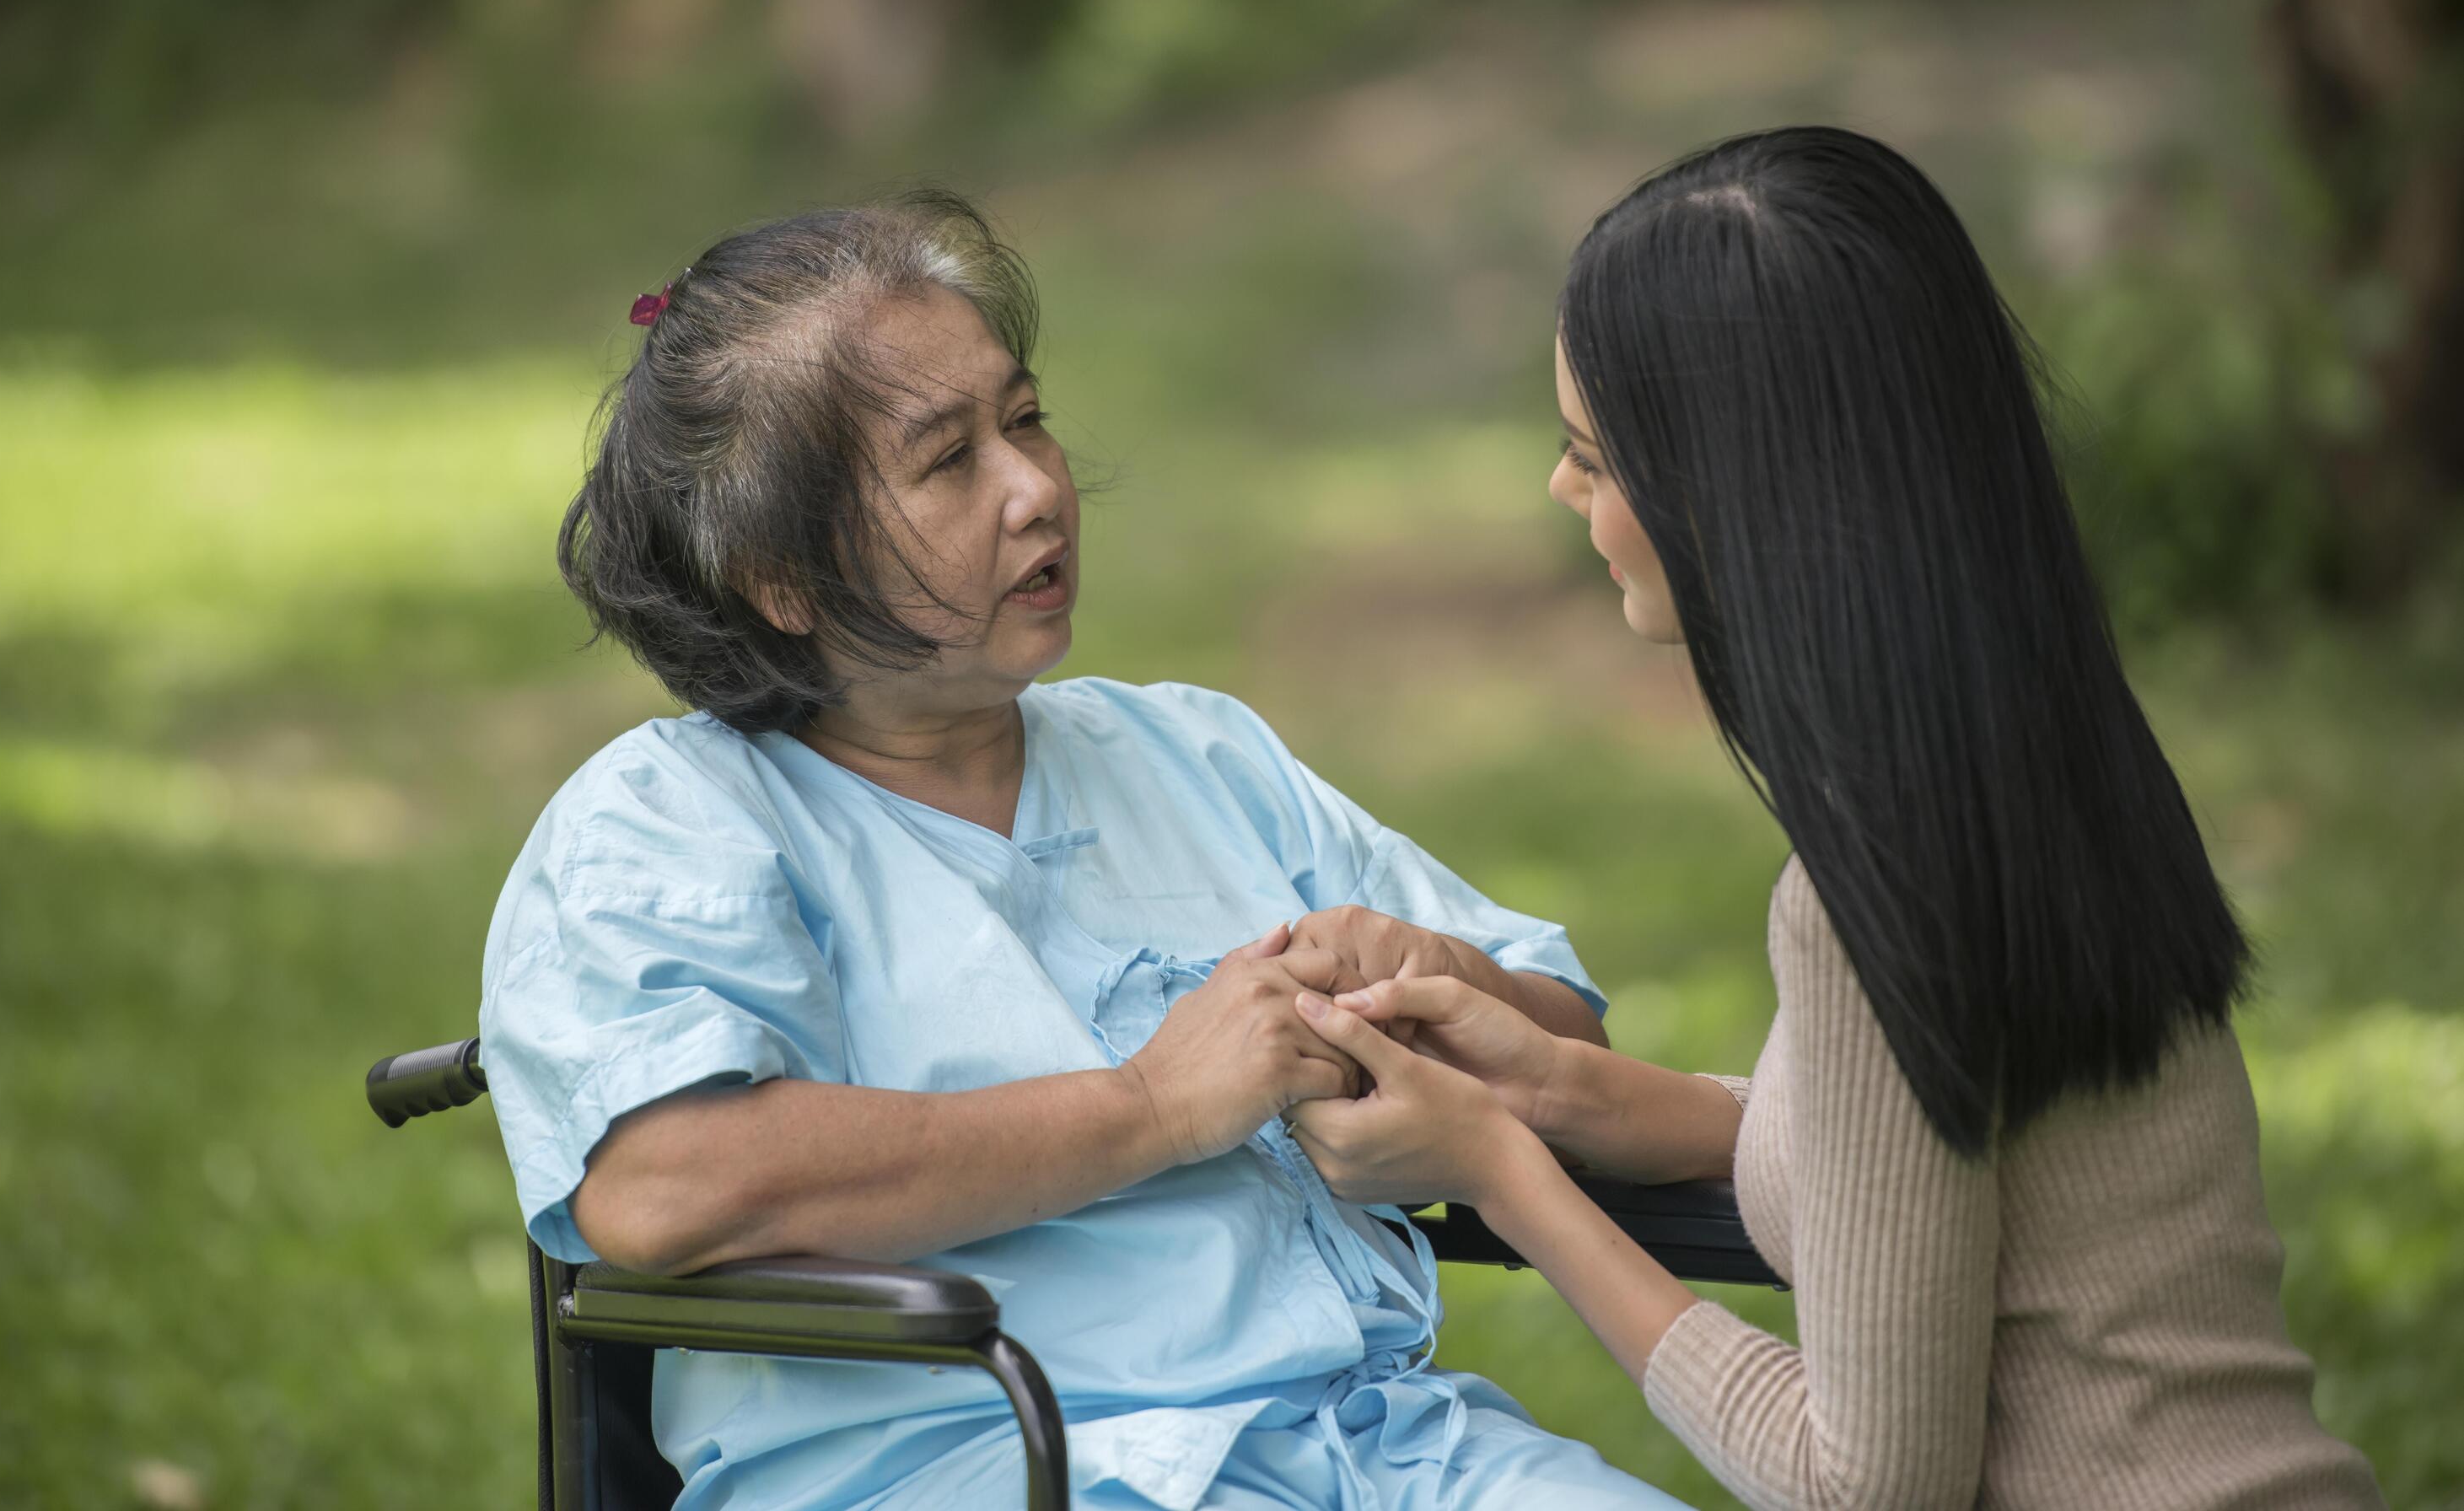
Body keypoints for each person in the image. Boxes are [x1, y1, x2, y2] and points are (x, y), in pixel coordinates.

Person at [478, 194, 1690, 1509]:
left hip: (1382, 1446)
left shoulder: (1190, 754)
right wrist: (1155, 1108)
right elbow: (667, 1189)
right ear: (781, 576)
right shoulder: (671, 820)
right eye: (948, 462)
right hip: (978, 1472)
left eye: (1026, 419)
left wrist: (1435, 977)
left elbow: (1570, 1045)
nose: (1035, 488)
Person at [1278, 126, 2386, 1509]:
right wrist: (1571, 1095)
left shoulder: (1872, 903)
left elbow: (1863, 1487)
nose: (1562, 490)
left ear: (1731, 498)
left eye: (1588, 454)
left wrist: (1500, 1174)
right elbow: (1947, 1176)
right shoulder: (2043, 755)